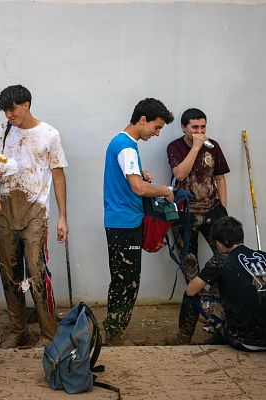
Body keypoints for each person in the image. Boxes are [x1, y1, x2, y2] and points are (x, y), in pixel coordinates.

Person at [0, 84, 67, 348]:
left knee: (35, 270)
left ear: (26, 105)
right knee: (9, 271)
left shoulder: (49, 134)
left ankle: (49, 332)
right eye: (5, 111)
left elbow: (58, 176)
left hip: (36, 211)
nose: (9, 115)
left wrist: (62, 217)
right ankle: (17, 329)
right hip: (5, 208)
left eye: (13, 109)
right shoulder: (2, 130)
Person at [102, 98, 175, 345]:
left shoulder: (124, 144)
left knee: (125, 278)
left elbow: (132, 181)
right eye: (156, 127)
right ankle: (114, 333)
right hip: (124, 223)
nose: (157, 134)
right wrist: (164, 190)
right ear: (142, 120)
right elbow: (138, 188)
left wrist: (142, 177)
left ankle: (115, 330)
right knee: (126, 281)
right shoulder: (126, 147)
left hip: (123, 221)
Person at [166, 108, 230, 345]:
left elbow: (221, 177)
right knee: (190, 270)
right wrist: (195, 147)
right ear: (184, 127)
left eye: (203, 127)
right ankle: (186, 333)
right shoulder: (175, 147)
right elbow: (180, 173)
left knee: (225, 262)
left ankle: (219, 319)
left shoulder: (214, 146)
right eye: (195, 127)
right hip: (185, 214)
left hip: (213, 213)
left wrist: (223, 209)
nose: (200, 132)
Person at [185, 217, 266, 351]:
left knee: (192, 295)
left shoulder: (220, 260)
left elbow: (191, 290)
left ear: (219, 244)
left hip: (244, 340)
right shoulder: (264, 256)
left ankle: (182, 339)